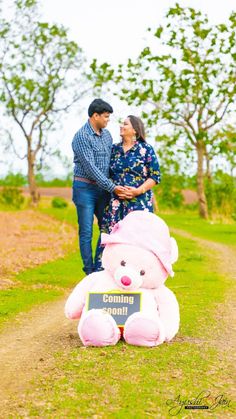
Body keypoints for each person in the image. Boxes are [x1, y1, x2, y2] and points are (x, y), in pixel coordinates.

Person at [96, 115, 161, 268]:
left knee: (137, 241)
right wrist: (114, 188)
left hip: (139, 204)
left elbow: (155, 176)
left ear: (135, 130)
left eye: (125, 124)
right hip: (115, 204)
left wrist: (137, 191)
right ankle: (102, 274)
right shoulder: (113, 149)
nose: (121, 126)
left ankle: (136, 275)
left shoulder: (146, 149)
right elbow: (105, 174)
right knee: (110, 238)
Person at [72, 98, 126, 275]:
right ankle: (89, 272)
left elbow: (111, 164)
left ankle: (99, 266)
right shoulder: (81, 137)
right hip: (85, 188)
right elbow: (91, 169)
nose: (107, 120)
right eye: (105, 117)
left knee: (108, 227)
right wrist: (113, 188)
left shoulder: (107, 135)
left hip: (104, 190)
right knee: (86, 230)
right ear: (95, 116)